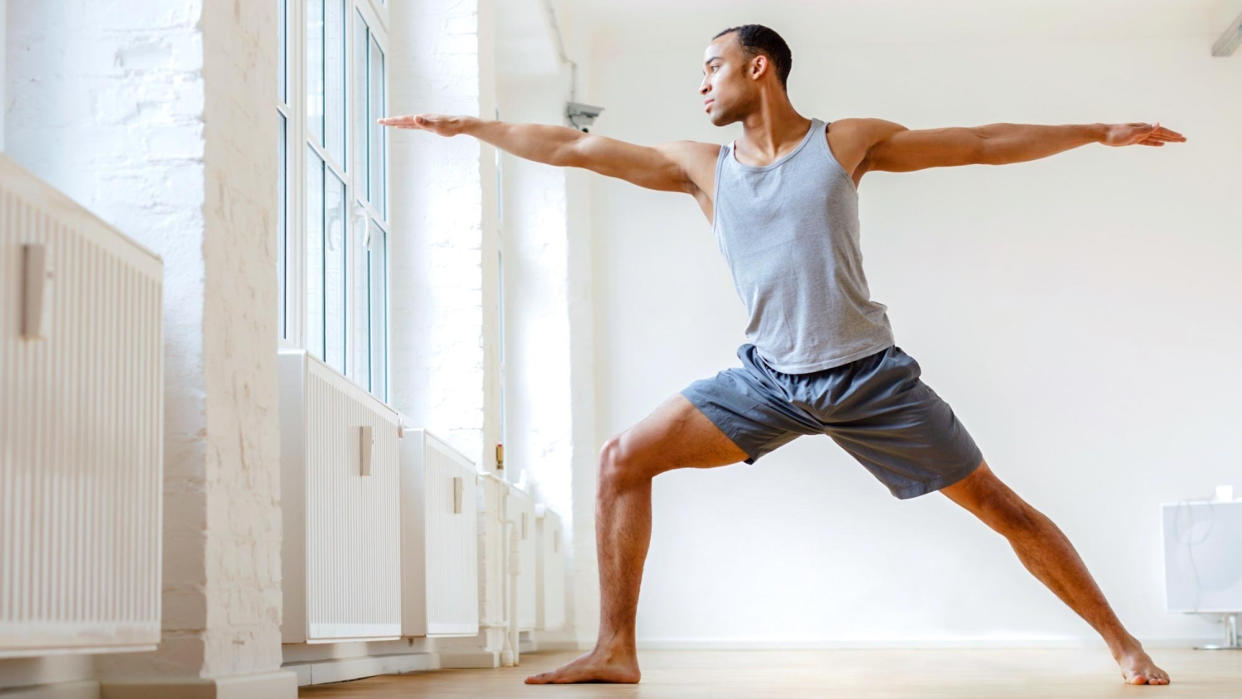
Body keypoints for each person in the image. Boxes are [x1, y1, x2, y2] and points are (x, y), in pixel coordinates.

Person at [380, 23, 1183, 687]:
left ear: (757, 67)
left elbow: (976, 142)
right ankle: (615, 648)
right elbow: (569, 149)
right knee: (622, 459)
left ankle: (1124, 644)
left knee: (1001, 507)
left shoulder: (845, 143)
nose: (701, 84)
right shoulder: (701, 167)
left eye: (712, 67)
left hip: (870, 377)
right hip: (766, 380)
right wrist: (467, 126)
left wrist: (1096, 131)